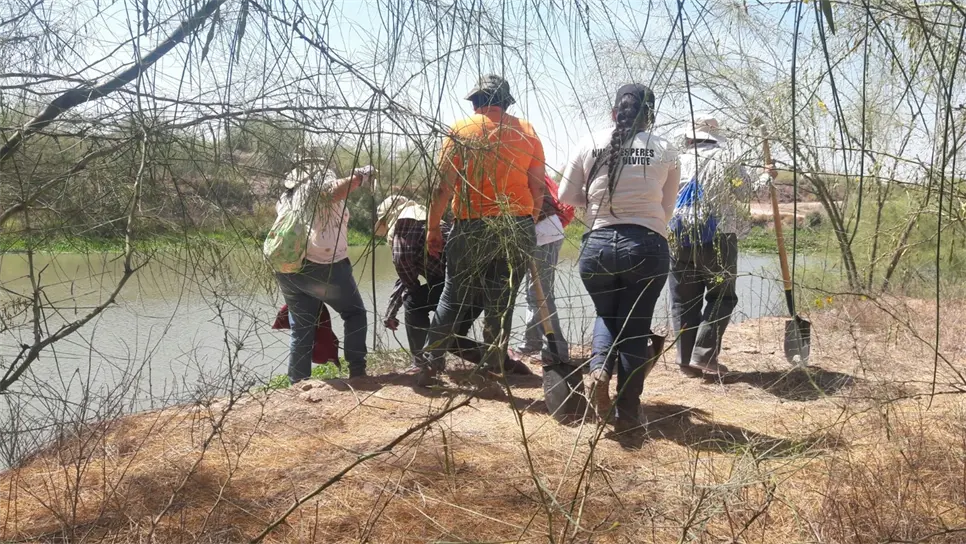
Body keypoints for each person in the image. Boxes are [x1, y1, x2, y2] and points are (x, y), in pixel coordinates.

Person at [559, 83, 680, 432]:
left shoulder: (588, 141)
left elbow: (567, 195)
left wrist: (600, 204)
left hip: (596, 246)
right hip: (646, 245)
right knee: (634, 327)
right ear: (650, 116)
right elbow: (666, 207)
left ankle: (599, 369)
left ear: (614, 113)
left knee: (606, 314)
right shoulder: (666, 148)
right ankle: (627, 414)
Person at [414, 74, 546, 386]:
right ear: (505, 102)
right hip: (518, 225)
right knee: (501, 301)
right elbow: (538, 187)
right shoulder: (527, 131)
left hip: (471, 225)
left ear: (476, 102)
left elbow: (442, 188)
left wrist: (433, 228)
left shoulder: (461, 130)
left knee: (453, 296)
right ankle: (492, 368)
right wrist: (528, 222)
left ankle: (431, 365)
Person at [668, 116, 777, 379]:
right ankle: (703, 354)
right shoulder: (725, 160)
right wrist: (766, 176)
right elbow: (743, 191)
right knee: (722, 297)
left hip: (678, 237)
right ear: (715, 136)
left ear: (690, 137)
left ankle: (685, 360)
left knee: (683, 300)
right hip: (718, 237)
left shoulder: (673, 161)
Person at [374, 195, 531, 375]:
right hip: (478, 286)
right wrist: (392, 310)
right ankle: (503, 362)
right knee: (452, 339)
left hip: (455, 286)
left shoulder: (404, 226)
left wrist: (408, 293)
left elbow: (403, 265)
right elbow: (405, 273)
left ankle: (422, 363)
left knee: (412, 301)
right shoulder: (430, 220)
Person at [272, 153, 374, 384]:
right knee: (354, 313)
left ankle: (298, 383)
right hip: (322, 268)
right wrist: (361, 176)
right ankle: (357, 371)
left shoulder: (286, 197)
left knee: (302, 328)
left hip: (287, 270)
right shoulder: (316, 187)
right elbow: (332, 191)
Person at [513, 175, 573, 363]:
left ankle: (556, 350)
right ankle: (531, 343)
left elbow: (536, 199)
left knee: (541, 294)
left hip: (544, 233)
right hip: (539, 233)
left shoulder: (521, 168)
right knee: (534, 294)